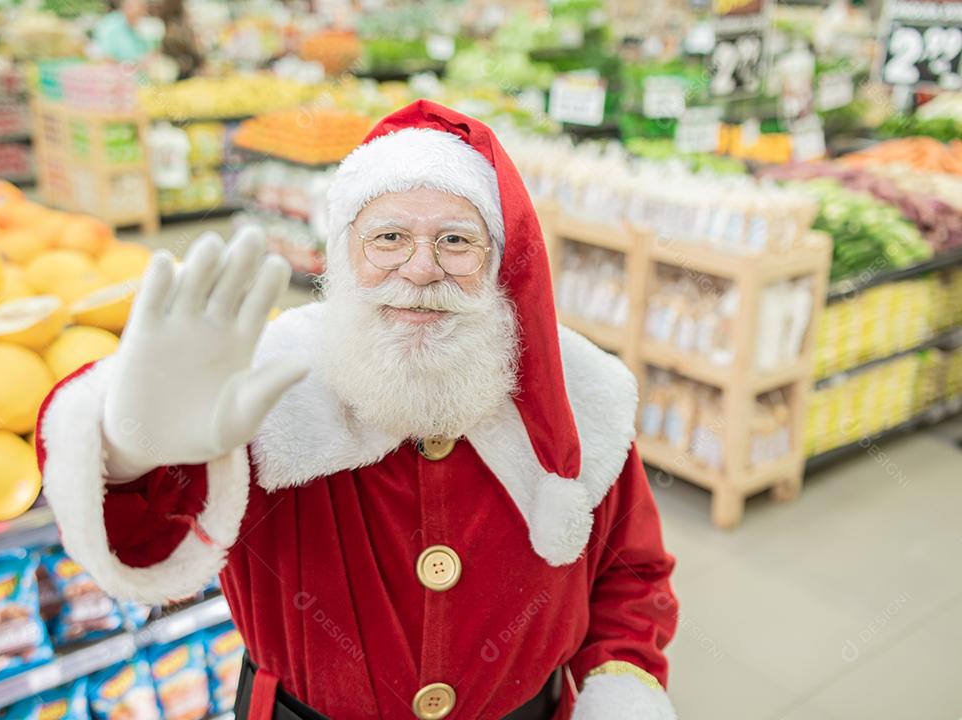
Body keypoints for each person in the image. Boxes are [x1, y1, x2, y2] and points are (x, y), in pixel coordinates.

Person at [36, 100, 679, 720]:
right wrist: (129, 451)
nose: (422, 269)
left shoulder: (582, 398)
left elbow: (632, 575)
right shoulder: (267, 391)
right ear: (344, 256)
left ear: (502, 266)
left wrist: (621, 685)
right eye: (389, 237)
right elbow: (146, 543)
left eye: (457, 241)